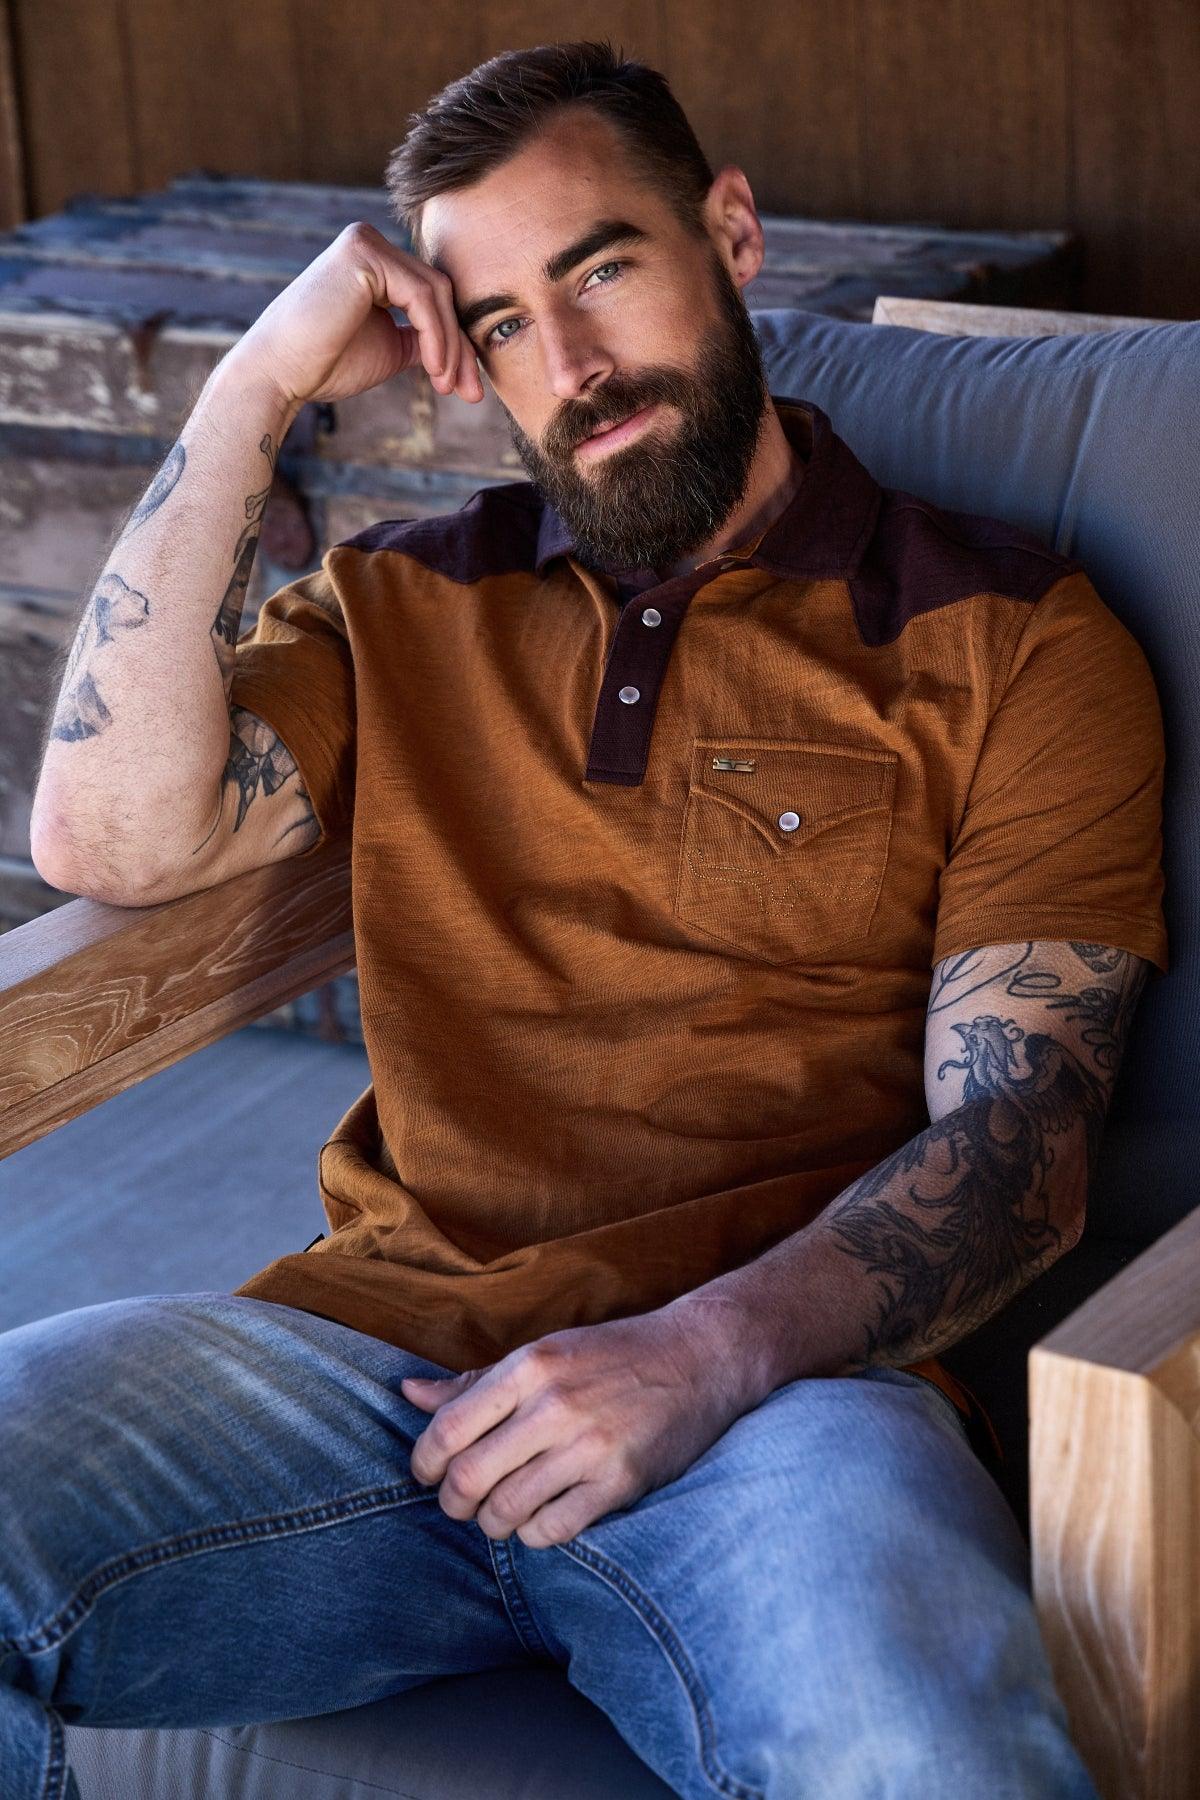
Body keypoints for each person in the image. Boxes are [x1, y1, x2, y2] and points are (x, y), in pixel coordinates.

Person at [6, 37, 1165, 1800]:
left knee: (911, 1752)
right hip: (373, 1375)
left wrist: (700, 1356)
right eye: (501, 326)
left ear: (732, 232)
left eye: (602, 271)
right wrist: (252, 387)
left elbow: (1020, 1145)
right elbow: (106, 836)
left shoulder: (1009, 640)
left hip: (782, 1412)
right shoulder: (405, 602)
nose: (573, 367)